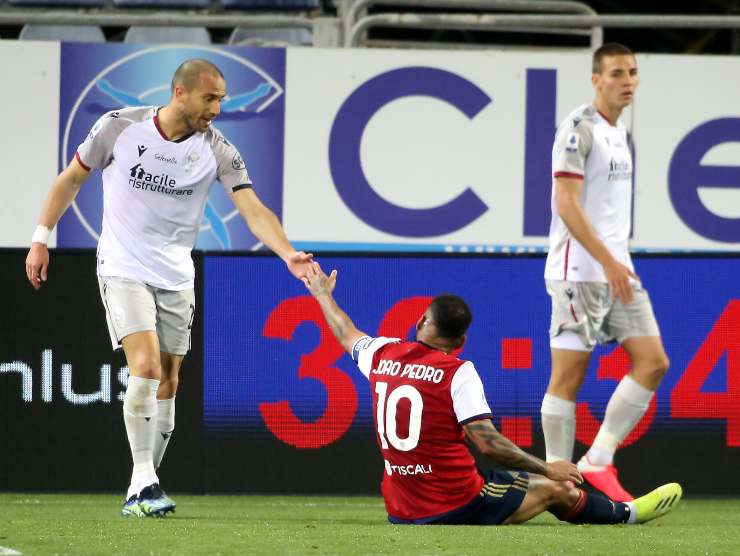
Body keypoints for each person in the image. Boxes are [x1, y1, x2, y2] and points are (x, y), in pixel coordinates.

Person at [25, 59, 312, 517]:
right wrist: (40, 239)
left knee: (169, 378)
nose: (217, 109)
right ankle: (145, 480)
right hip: (122, 266)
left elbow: (253, 208)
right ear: (180, 93)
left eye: (221, 99)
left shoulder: (218, 150)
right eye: (210, 98)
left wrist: (287, 253)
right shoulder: (119, 127)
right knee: (145, 366)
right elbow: (72, 179)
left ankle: (142, 488)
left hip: (177, 274)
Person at [302, 262, 681, 526]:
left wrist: (322, 294)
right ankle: (627, 514)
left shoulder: (381, 354)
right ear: (461, 341)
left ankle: (608, 505)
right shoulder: (458, 372)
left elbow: (345, 331)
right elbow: (488, 443)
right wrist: (549, 467)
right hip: (454, 505)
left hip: (400, 507)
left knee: (499, 476)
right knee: (554, 489)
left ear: (421, 321)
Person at [541, 43, 670, 502]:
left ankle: (596, 461)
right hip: (578, 272)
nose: (628, 80)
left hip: (617, 272)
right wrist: (609, 261)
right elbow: (566, 204)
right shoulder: (579, 130)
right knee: (568, 378)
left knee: (653, 361)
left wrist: (619, 263)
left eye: (633, 72)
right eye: (617, 73)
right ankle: (559, 482)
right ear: (597, 79)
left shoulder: (620, 132)